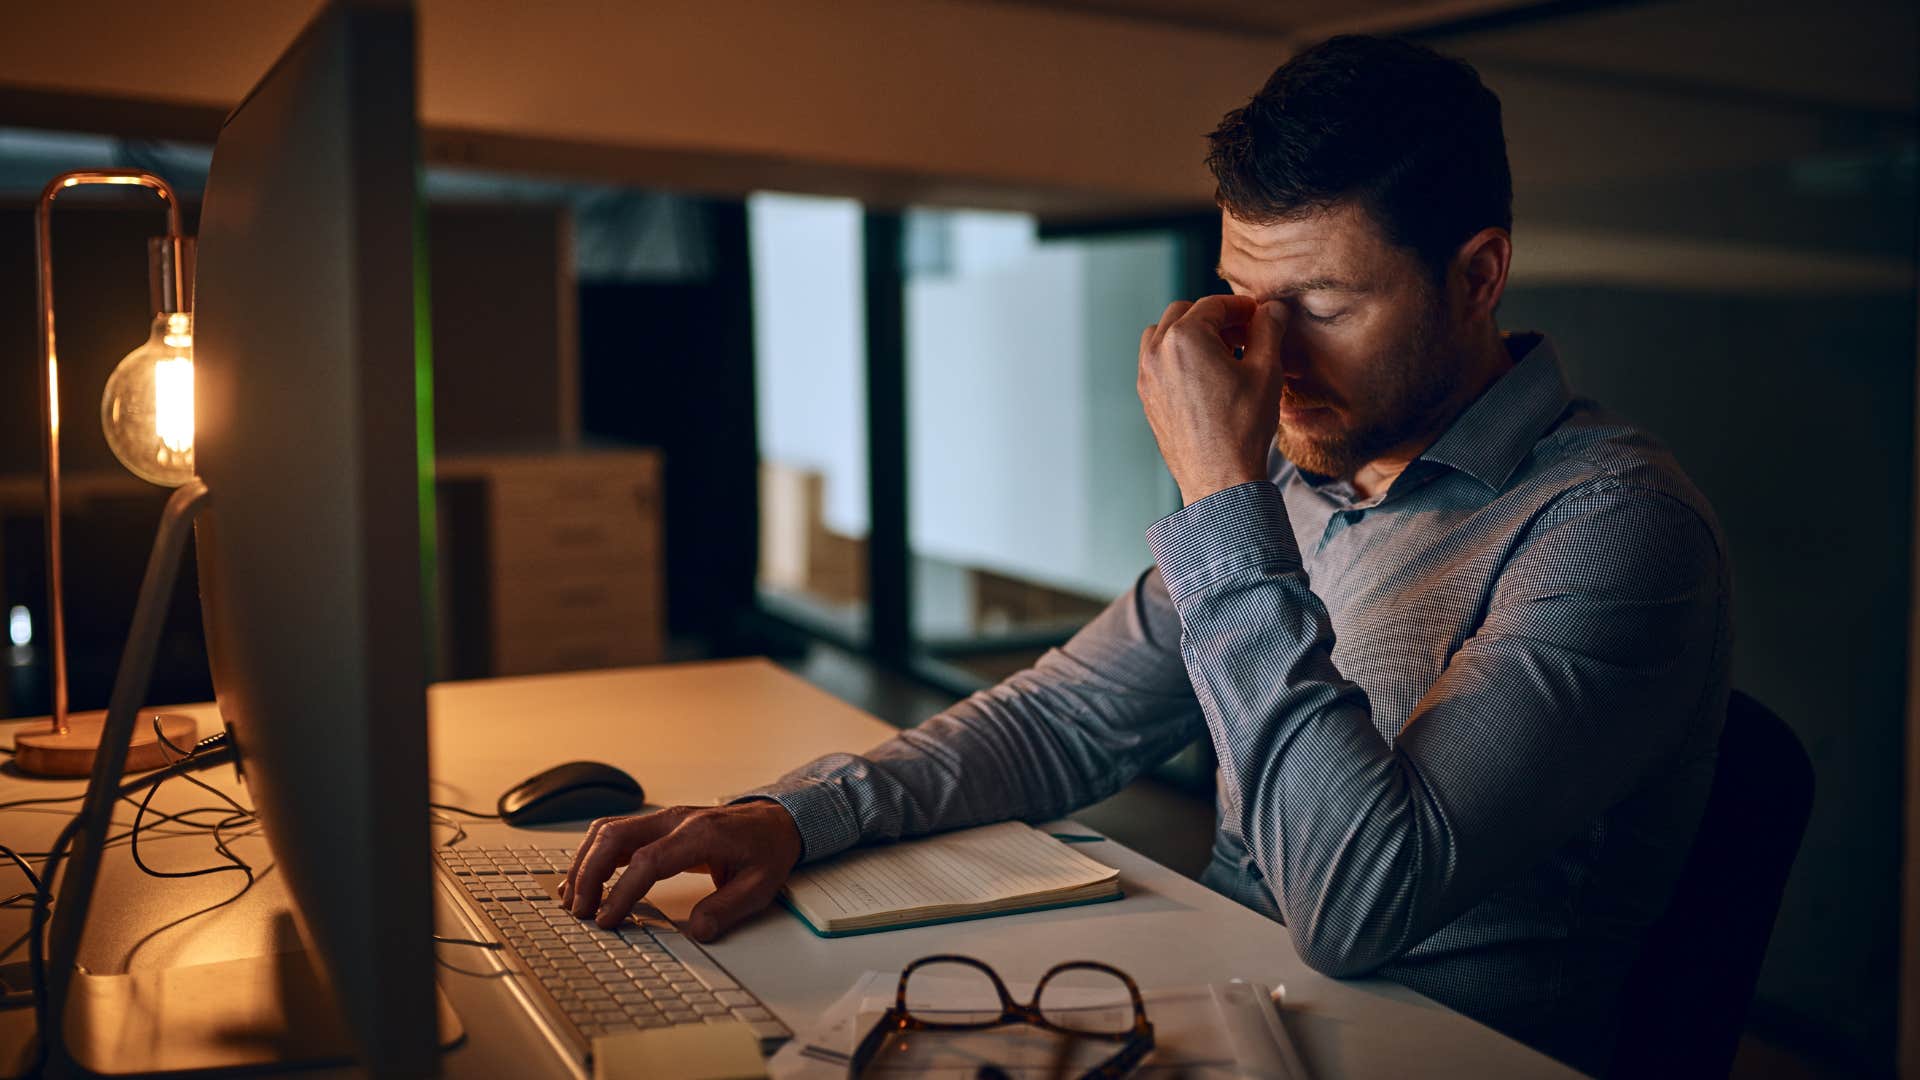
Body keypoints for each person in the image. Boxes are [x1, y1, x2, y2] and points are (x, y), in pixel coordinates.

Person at [561, 34, 1730, 1074]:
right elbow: (1066, 717)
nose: (1271, 362)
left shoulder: (1614, 530)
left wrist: (1220, 492)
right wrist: (793, 816)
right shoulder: (1300, 481)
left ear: (1477, 276)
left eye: (1322, 305)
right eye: (1241, 298)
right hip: (1220, 1002)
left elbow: (1357, 902)